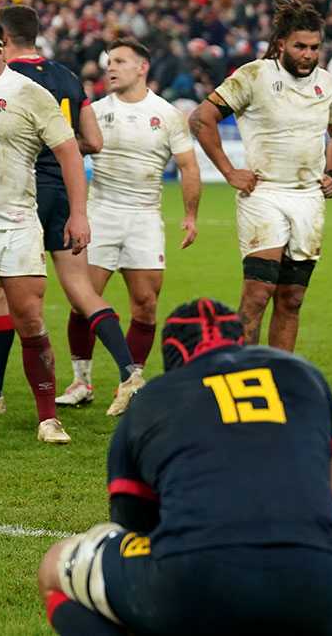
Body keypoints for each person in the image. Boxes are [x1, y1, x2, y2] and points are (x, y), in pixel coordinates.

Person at [35, 298, 332, 635]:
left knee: (54, 570)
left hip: (193, 579)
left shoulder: (152, 399)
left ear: (173, 358)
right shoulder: (302, 373)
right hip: (319, 576)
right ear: (241, 338)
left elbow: (134, 527)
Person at [0, 5, 147, 419]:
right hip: (12, 207)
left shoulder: (18, 86)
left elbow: (72, 146)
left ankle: (7, 400)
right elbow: (90, 139)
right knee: (76, 291)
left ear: (4, 45)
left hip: (25, 202)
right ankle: (128, 372)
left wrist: (74, 205)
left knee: (17, 306)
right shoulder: (65, 78)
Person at [0, 16, 90, 443]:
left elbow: (69, 154)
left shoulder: (29, 93)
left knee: (29, 317)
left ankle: (48, 418)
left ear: (0, 48)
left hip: (15, 221)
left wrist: (78, 214)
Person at [190, 0, 332, 351]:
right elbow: (201, 119)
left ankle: (280, 379)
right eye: (300, 47)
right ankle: (244, 376)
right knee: (258, 294)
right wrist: (230, 172)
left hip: (309, 198)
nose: (309, 54)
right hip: (263, 195)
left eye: (315, 47)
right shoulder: (254, 75)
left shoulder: (326, 83)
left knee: (292, 298)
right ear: (281, 45)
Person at [55, 37, 201, 404]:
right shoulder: (96, 110)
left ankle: (130, 386)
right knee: (83, 301)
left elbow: (188, 166)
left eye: (119, 61)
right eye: (109, 62)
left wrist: (190, 215)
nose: (111, 68)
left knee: (146, 304)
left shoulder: (167, 115)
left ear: (142, 67)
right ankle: (81, 383)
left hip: (145, 219)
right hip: (100, 214)